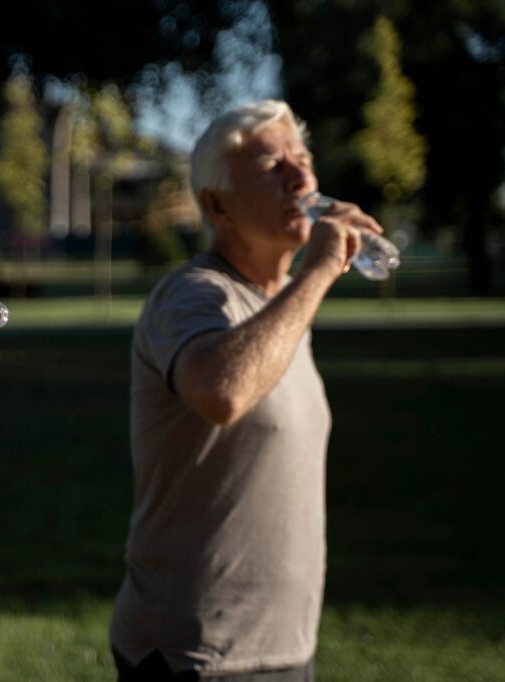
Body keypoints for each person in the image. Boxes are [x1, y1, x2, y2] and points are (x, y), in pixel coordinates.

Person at [109, 99, 384, 681]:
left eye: (303, 158)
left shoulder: (277, 305)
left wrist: (302, 283)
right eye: (271, 167)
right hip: (197, 654)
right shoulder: (191, 296)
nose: (301, 177)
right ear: (216, 205)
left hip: (281, 645)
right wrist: (316, 272)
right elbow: (224, 393)